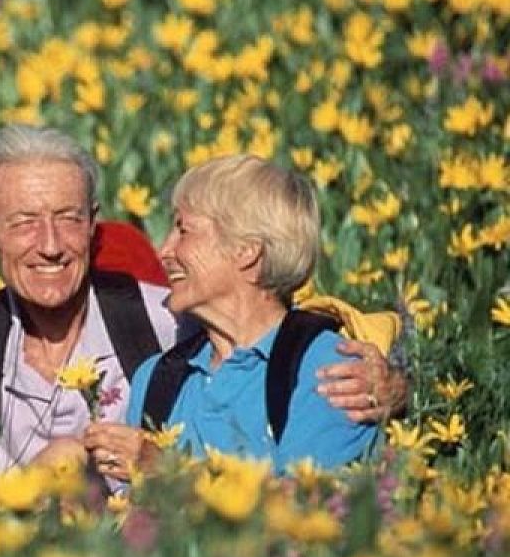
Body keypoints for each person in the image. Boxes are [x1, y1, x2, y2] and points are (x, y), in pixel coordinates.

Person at [0, 126, 401, 473]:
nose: (52, 245)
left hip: (126, 548)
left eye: (67, 219)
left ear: (94, 225)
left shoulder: (165, 319)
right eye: (25, 224)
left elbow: (278, 317)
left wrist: (393, 383)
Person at [87, 155, 381, 481]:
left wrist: (170, 474)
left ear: (246, 251)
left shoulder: (329, 370)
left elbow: (309, 511)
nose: (164, 251)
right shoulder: (157, 380)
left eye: (184, 231)